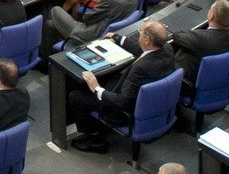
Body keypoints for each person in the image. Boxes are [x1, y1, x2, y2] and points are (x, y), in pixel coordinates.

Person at [72, 20, 178, 152]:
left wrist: (96, 88)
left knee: (76, 95)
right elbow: (144, 50)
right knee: (107, 78)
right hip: (149, 103)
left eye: (140, 32)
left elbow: (122, 103)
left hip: (123, 113)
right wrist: (119, 38)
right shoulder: (167, 48)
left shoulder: (140, 69)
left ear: (146, 39)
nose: (139, 33)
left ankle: (95, 140)